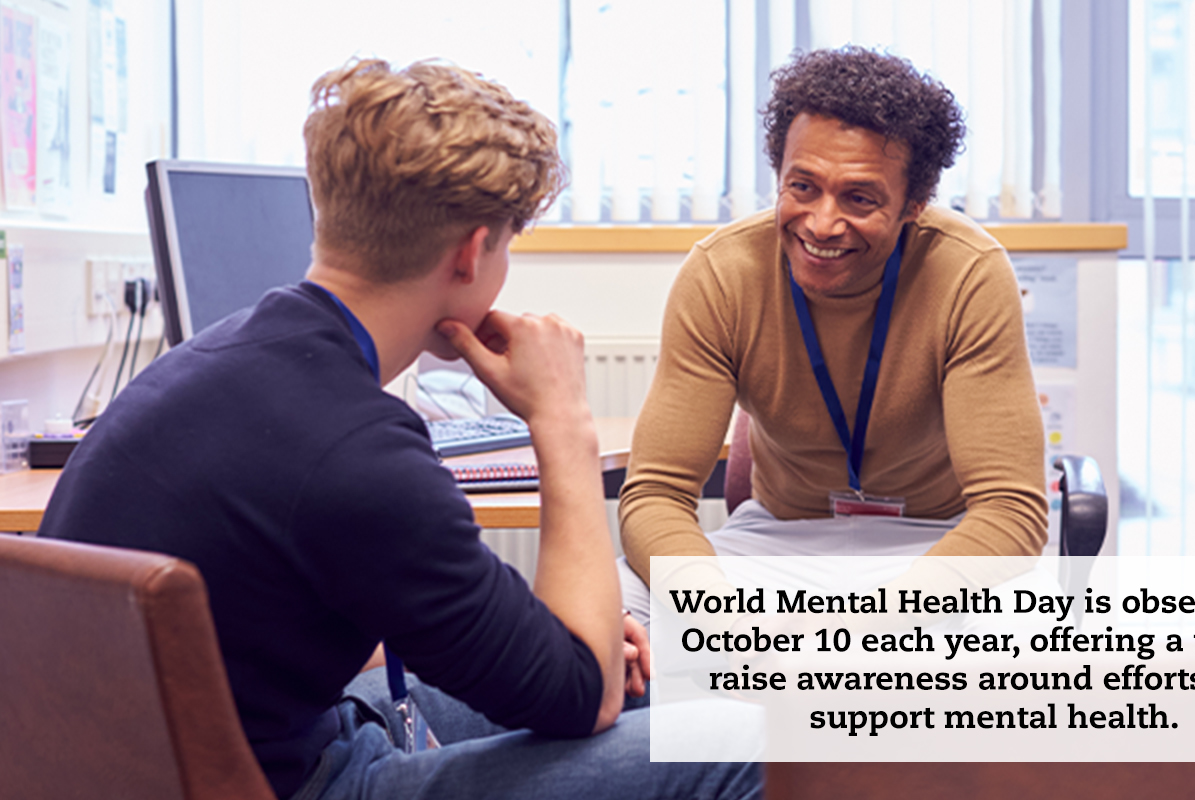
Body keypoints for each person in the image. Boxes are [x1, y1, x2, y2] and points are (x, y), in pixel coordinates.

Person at [40, 59, 760, 800]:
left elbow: (484, 627)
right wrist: (562, 420)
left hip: (249, 745)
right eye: (509, 246)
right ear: (473, 252)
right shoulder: (357, 453)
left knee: (647, 677)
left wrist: (574, 647)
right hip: (303, 782)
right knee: (760, 745)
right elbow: (582, 697)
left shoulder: (219, 358)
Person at [619, 47, 1048, 616]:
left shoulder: (968, 273)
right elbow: (655, 495)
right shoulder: (722, 274)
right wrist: (715, 612)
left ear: (913, 204)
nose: (821, 223)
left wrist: (871, 630)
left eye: (860, 198)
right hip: (773, 543)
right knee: (606, 617)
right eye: (802, 187)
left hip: (937, 546)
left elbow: (1010, 509)